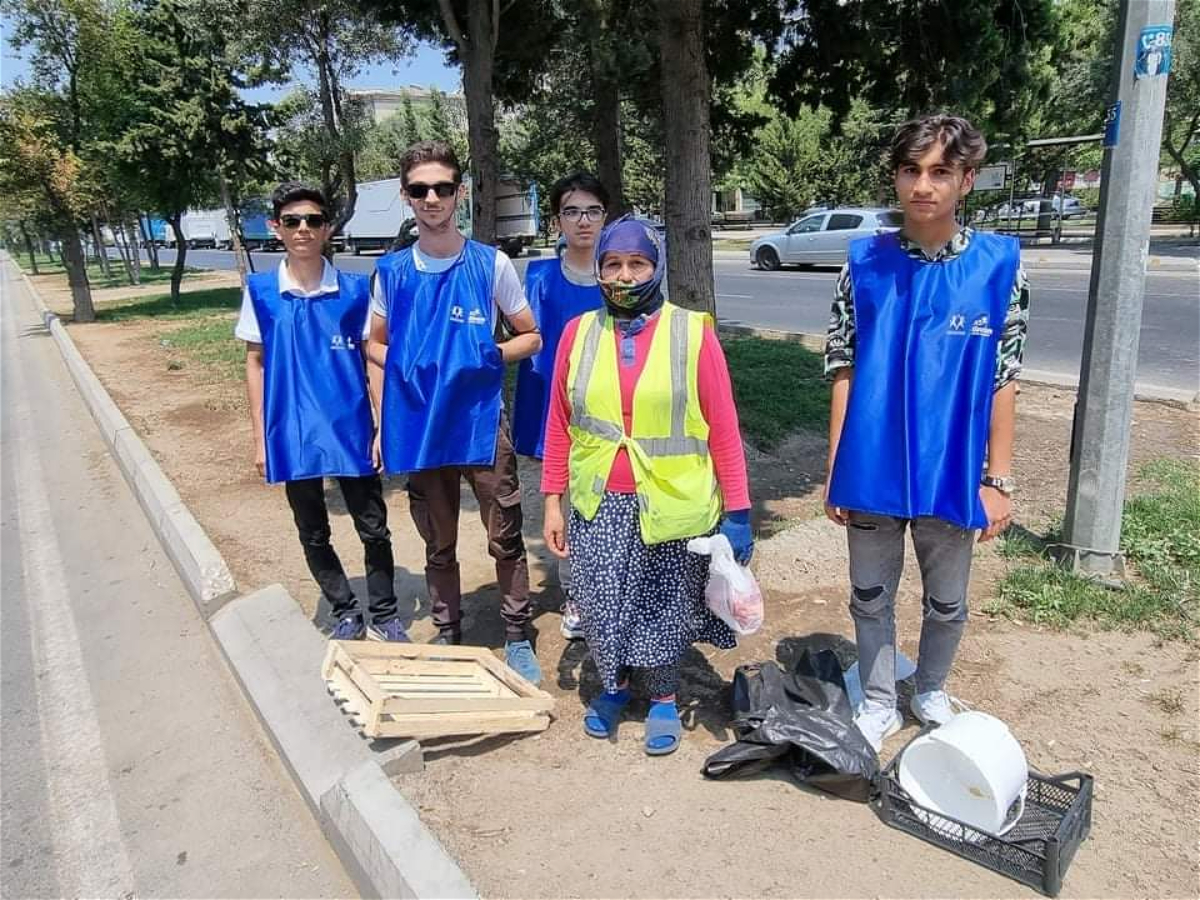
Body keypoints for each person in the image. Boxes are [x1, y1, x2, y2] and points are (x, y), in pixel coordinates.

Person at [824, 114, 1030, 752]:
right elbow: (844, 368)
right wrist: (837, 468)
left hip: (952, 466)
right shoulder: (864, 263)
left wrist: (997, 478)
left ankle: (931, 688)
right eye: (912, 170)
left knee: (947, 600)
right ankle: (881, 699)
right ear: (896, 176)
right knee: (869, 595)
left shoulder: (999, 266)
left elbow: (1004, 377)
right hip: (874, 463)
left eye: (941, 171)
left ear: (966, 180)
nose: (923, 185)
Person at [541, 216, 753, 756]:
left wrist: (740, 510)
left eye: (637, 264)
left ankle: (661, 696)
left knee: (663, 601)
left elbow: (723, 425)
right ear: (598, 269)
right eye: (612, 264)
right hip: (599, 498)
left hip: (672, 501)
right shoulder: (578, 333)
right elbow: (559, 423)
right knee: (602, 599)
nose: (624, 275)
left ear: (656, 268)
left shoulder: (691, 332)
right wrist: (551, 501)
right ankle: (614, 686)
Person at [367, 140, 545, 685]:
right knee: (437, 538)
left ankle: (517, 634)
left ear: (458, 193)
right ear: (406, 197)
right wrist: (407, 366)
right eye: (420, 189)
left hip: (481, 423)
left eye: (442, 187)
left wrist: (487, 352)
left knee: (504, 531)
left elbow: (532, 337)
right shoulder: (392, 272)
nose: (432, 198)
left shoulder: (490, 264)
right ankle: (448, 628)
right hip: (423, 427)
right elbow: (372, 344)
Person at [236, 181, 407, 642]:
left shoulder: (353, 292)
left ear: (328, 228)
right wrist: (260, 440)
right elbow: (255, 363)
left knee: (374, 528)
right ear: (276, 228)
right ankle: (345, 611)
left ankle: (386, 613)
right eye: (292, 221)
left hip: (350, 428)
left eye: (313, 220)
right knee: (313, 532)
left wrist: (379, 425)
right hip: (291, 432)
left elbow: (373, 360)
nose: (303, 229)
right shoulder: (262, 292)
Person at [511, 172, 608, 641]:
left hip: (610, 412)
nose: (583, 221)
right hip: (555, 409)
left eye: (592, 211)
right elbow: (526, 339)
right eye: (572, 211)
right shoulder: (540, 277)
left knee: (608, 505)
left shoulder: (621, 272)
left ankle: (608, 591)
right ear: (557, 221)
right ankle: (574, 594)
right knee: (563, 506)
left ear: (605, 218)